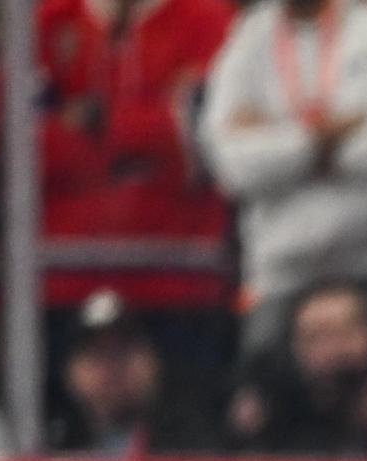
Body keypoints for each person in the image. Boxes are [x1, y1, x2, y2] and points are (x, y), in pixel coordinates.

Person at [198, 0, 367, 363]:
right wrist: (327, 137)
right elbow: (230, 164)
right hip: (281, 276)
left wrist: (275, 133)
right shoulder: (248, 41)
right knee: (264, 411)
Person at [37, 0, 237, 390]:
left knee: (183, 439)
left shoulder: (207, 18)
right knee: (61, 442)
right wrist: (153, 124)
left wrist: (94, 126)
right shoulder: (50, 20)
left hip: (182, 279)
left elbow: (198, 145)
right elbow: (28, 152)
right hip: (63, 278)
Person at [225, 277, 367, 455]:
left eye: (343, 333)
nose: (333, 348)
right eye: (317, 336)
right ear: (295, 345)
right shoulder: (273, 401)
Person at [47, 289, 220, 458]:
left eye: (123, 352)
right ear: (72, 371)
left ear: (152, 363)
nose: (112, 369)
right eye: (97, 355)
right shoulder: (49, 446)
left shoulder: (188, 449)